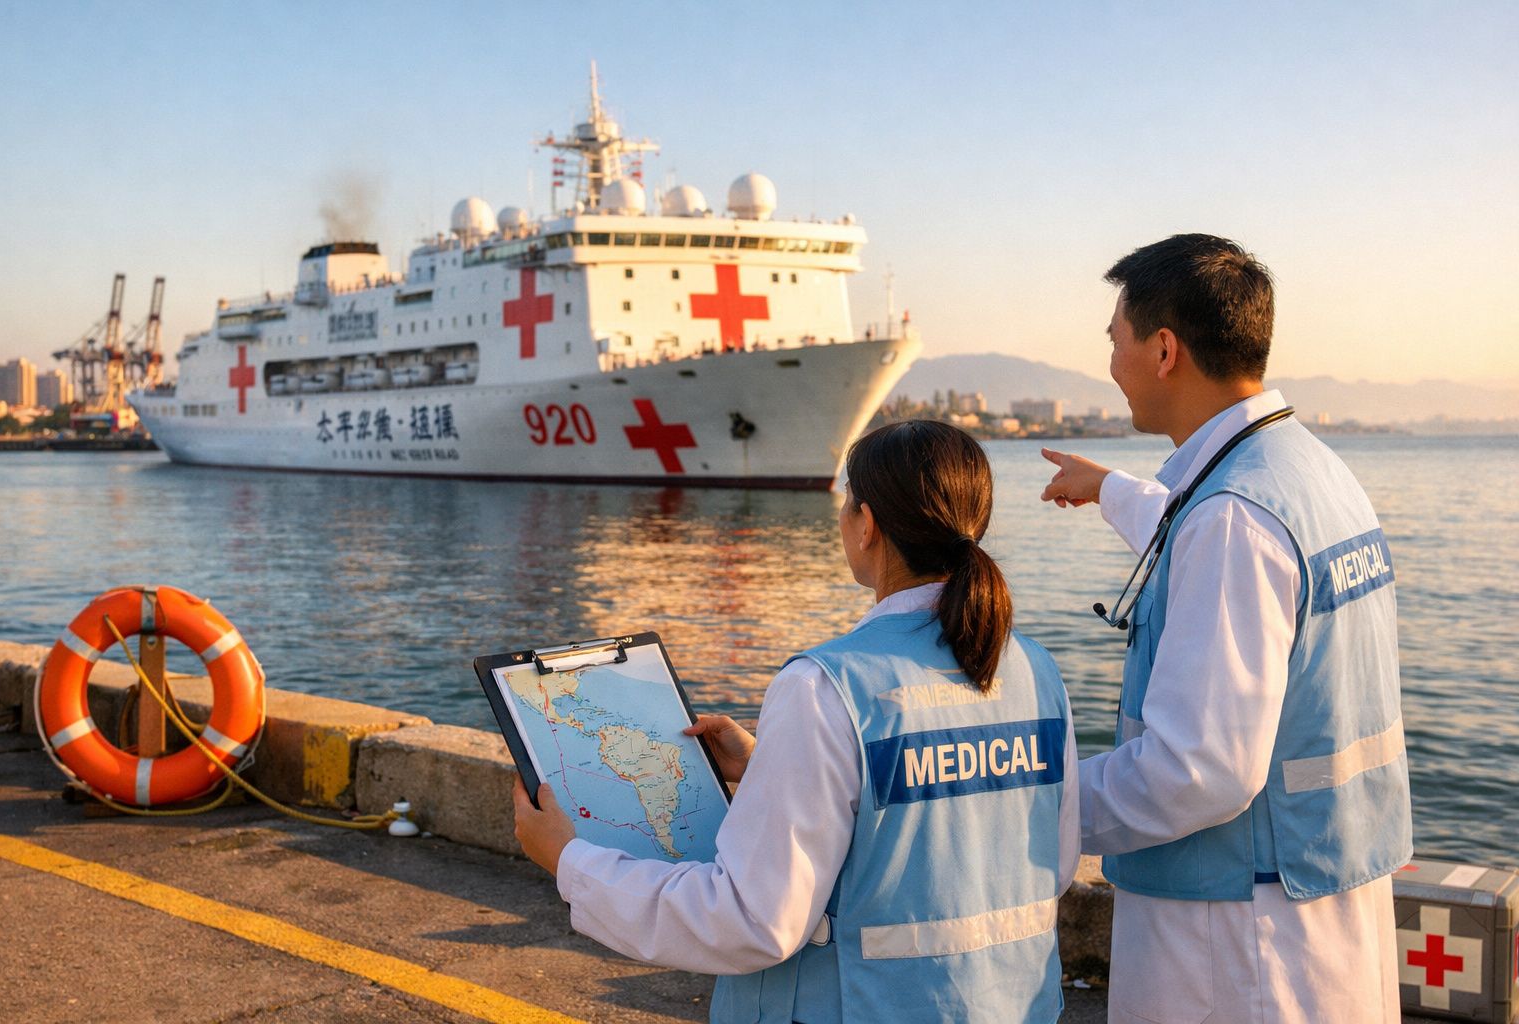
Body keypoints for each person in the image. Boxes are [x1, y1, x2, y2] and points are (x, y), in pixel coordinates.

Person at [514, 420, 1080, 1022]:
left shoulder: (826, 686)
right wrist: (772, 764)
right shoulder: (1034, 669)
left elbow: (750, 921)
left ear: (866, 525)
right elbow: (1043, 855)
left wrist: (570, 862)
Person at [1040, 234, 1411, 1023]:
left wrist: (1035, 804)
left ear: (1164, 349)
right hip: (1329, 889)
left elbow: (1197, 770)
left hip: (1237, 938)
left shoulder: (1233, 519)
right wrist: (1107, 488)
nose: (1111, 363)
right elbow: (1202, 537)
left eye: (1116, 339)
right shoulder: (1304, 472)